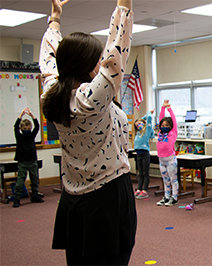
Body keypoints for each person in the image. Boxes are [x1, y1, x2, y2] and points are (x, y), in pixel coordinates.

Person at [40, 0, 135, 265]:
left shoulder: (53, 96)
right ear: (87, 65)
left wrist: (55, 21)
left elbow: (49, 61)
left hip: (75, 199)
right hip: (108, 196)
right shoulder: (90, 99)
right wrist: (123, 5)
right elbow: (117, 52)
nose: (101, 63)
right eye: (97, 60)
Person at [13, 107, 43, 208]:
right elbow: (15, 126)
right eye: (24, 129)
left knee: (34, 180)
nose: (27, 130)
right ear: (21, 129)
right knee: (20, 181)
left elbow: (37, 126)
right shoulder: (19, 136)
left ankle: (34, 195)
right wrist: (21, 115)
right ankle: (17, 198)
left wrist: (32, 116)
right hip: (22, 162)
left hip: (32, 161)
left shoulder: (31, 136)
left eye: (28, 129)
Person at [156, 100, 179, 207]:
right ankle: (166, 197)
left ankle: (174, 197)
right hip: (161, 160)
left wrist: (169, 108)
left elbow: (173, 120)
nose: (164, 126)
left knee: (173, 179)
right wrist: (162, 108)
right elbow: (161, 119)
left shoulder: (172, 133)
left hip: (170, 160)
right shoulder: (160, 133)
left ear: (170, 126)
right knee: (165, 180)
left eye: (166, 125)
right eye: (163, 125)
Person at [134, 109, 155, 199]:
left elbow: (149, 117)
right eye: (137, 125)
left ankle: (145, 190)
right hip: (138, 154)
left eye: (140, 124)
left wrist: (149, 112)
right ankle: (139, 189)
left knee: (145, 172)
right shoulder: (138, 133)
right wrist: (139, 121)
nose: (139, 125)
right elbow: (139, 122)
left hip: (145, 154)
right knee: (140, 173)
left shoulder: (147, 130)